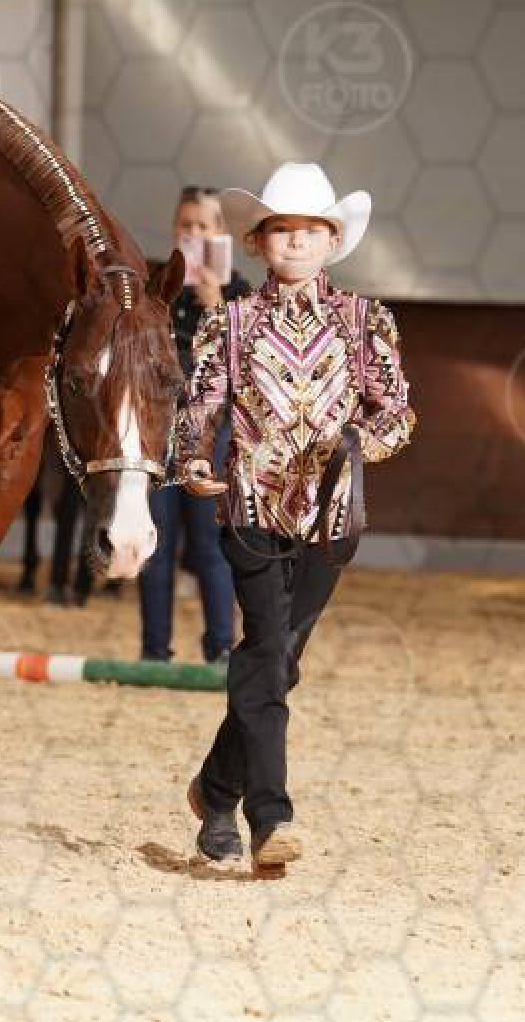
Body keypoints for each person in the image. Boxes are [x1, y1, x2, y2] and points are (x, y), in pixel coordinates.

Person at [172, 162, 415, 877]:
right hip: (251, 508)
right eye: (284, 230)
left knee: (278, 663)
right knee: (267, 651)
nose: (298, 241)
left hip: (331, 521)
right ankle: (269, 816)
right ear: (258, 241)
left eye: (312, 230)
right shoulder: (229, 323)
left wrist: (359, 442)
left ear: (333, 240)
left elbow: (398, 413)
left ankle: (216, 789)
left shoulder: (367, 323)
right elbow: (200, 408)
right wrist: (193, 458)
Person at [137, 187, 248, 663]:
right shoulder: (156, 286)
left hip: (212, 435)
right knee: (155, 542)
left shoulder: (239, 291)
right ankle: (154, 650)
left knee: (209, 545)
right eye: (186, 225)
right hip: (160, 431)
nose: (194, 234)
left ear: (221, 233)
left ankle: (220, 647)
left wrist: (214, 304)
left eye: (204, 226)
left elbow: (244, 368)